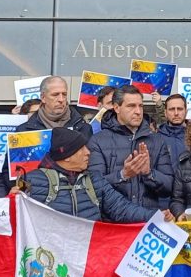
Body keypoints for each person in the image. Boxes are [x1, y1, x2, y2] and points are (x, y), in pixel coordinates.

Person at [19, 127, 160, 222]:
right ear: (67, 155)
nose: (88, 152)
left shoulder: (94, 180)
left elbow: (122, 209)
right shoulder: (31, 181)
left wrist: (157, 216)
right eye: (81, 148)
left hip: (88, 259)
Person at [87, 85, 173, 217]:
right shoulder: (97, 141)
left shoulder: (157, 140)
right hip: (113, 225)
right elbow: (92, 188)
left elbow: (169, 187)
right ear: (116, 108)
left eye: (141, 106)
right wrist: (123, 175)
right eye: (131, 106)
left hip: (147, 223)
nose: (138, 111)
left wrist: (149, 174)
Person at [17, 76, 93, 140]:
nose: (61, 99)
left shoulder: (83, 128)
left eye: (64, 94)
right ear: (43, 97)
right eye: (55, 94)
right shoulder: (24, 131)